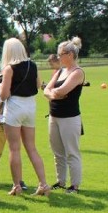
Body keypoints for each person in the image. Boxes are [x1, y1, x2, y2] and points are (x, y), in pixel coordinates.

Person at [0, 38, 51, 196]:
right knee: (32, 147)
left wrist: (0, 84)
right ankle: (43, 183)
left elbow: (4, 94)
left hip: (15, 107)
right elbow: (37, 85)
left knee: (14, 149)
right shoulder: (33, 65)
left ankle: (17, 185)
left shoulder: (9, 68)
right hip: (30, 107)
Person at [43, 37, 85, 194]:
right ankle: (61, 181)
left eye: (61, 54)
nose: (58, 57)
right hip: (54, 116)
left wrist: (53, 93)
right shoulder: (60, 71)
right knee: (57, 152)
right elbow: (47, 90)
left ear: (70, 54)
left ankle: (74, 185)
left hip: (70, 118)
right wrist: (53, 94)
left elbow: (62, 90)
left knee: (71, 152)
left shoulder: (77, 72)